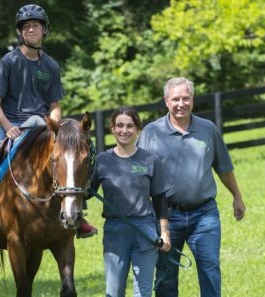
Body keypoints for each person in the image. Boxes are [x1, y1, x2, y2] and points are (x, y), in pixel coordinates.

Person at [0, 4, 96, 237]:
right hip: (11, 124)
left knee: (70, 157)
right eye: (26, 27)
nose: (31, 30)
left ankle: (78, 215)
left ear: (44, 30)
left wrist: (56, 127)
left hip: (41, 126)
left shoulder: (51, 66)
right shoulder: (9, 62)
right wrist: (8, 127)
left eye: (35, 26)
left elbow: (54, 105)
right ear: (20, 32)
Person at [137, 77, 246, 297]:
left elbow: (223, 167)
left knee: (210, 268)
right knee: (166, 273)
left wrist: (237, 196)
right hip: (166, 216)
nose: (181, 104)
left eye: (185, 98)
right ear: (166, 101)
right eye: (175, 99)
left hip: (204, 214)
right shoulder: (151, 132)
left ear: (192, 100)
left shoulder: (208, 129)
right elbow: (140, 174)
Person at [90, 107, 173, 297]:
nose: (124, 130)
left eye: (129, 126)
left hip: (144, 229)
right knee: (114, 291)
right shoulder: (102, 160)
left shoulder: (150, 160)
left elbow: (160, 200)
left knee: (143, 292)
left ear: (138, 130)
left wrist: (164, 233)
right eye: (119, 125)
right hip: (115, 231)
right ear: (112, 128)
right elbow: (86, 193)